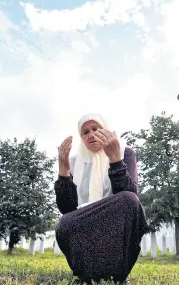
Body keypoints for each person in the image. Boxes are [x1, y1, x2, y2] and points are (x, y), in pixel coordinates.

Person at [54, 113, 149, 284]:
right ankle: (86, 275)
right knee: (64, 223)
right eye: (85, 132)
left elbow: (131, 196)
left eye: (96, 129)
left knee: (129, 200)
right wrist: (63, 171)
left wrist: (115, 159)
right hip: (84, 222)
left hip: (116, 223)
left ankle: (119, 275)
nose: (91, 134)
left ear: (106, 130)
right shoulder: (75, 161)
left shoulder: (124, 153)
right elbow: (66, 208)